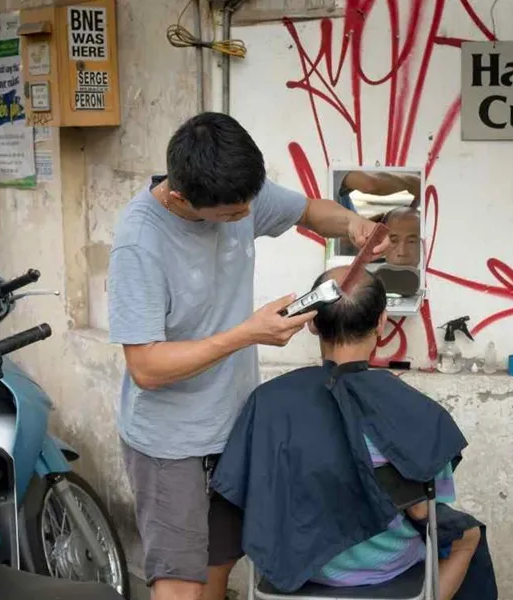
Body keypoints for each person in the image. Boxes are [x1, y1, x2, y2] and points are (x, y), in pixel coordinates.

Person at [107, 112, 389, 600]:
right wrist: (246, 334)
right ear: (181, 198)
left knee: (218, 566)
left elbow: (308, 212)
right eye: (232, 215)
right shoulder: (140, 244)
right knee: (181, 586)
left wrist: (351, 223)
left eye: (248, 207)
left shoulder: (237, 192)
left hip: (234, 429)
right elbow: (146, 367)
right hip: (170, 444)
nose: (246, 218)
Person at [212, 268, 497, 600]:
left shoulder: (268, 403)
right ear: (381, 322)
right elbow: (424, 512)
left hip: (296, 564)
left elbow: (241, 495)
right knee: (468, 537)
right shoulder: (414, 411)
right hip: (389, 567)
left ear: (312, 322)